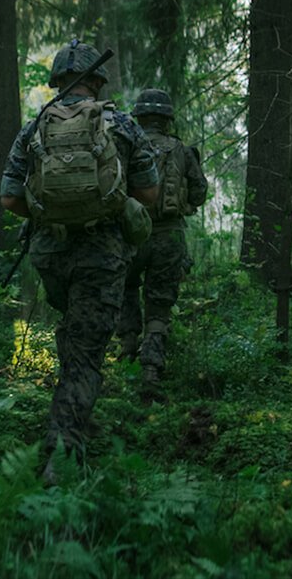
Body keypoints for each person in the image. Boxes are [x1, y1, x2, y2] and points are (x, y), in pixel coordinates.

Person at [0, 41, 159, 468]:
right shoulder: (122, 124)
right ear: (96, 81)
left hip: (50, 253)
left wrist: (49, 210)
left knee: (74, 336)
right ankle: (61, 453)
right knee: (86, 354)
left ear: (56, 82)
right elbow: (149, 193)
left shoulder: (34, 128)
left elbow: (9, 197)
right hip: (101, 255)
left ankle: (74, 417)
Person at [116, 88, 208, 396]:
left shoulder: (124, 146)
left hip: (129, 234)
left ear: (139, 118)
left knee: (126, 290)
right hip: (168, 235)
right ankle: (151, 370)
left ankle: (127, 350)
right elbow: (198, 192)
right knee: (159, 305)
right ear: (167, 120)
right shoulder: (182, 150)